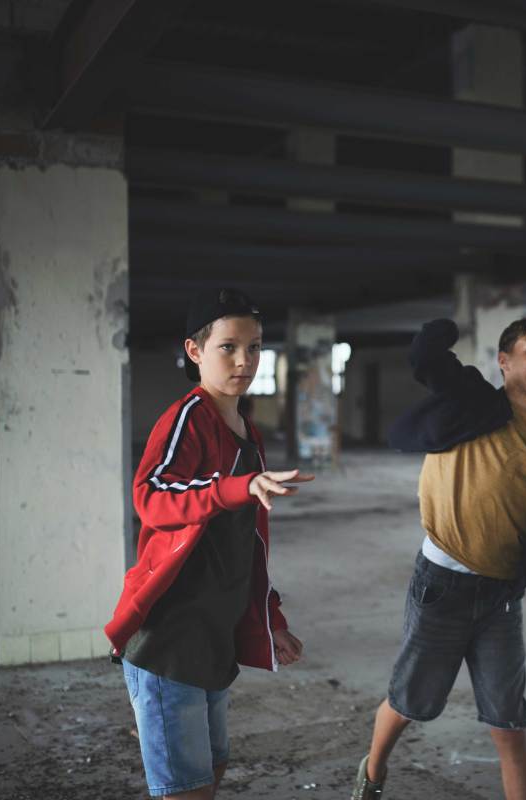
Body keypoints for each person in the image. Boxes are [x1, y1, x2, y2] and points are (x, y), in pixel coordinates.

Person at [351, 317, 526, 800]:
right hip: (442, 586)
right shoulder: (470, 402)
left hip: (502, 598)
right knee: (410, 701)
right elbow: (427, 359)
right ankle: (373, 774)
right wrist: (448, 326)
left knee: (509, 721)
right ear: (504, 360)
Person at [105, 288, 314, 800]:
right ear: (195, 351)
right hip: (168, 642)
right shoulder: (187, 418)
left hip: (212, 640)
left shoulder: (249, 432)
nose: (244, 360)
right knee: (186, 789)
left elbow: (248, 547)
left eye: (255, 346)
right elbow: (150, 496)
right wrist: (237, 487)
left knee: (213, 769)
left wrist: (271, 618)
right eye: (228, 347)